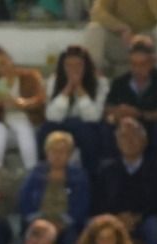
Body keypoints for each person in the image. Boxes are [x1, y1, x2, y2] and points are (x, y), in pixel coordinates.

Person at [98, 117, 157, 244]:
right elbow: (99, 201)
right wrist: (117, 218)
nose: (129, 140)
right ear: (117, 142)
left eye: (134, 135)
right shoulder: (106, 169)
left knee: (155, 228)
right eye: (124, 136)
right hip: (114, 219)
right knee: (96, 227)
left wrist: (137, 217)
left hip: (145, 219)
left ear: (144, 141)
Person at [18, 130, 93, 244]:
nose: (57, 155)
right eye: (53, 151)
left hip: (66, 225)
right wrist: (38, 221)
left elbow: (82, 205)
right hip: (38, 222)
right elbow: (24, 201)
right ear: (47, 153)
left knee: (72, 241)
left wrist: (62, 224)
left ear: (69, 154)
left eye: (62, 152)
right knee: (29, 239)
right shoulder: (35, 173)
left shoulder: (79, 176)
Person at [39, 45, 108, 175]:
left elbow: (93, 117)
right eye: (69, 66)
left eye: (78, 65)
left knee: (88, 132)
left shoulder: (100, 82)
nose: (73, 70)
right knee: (45, 130)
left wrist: (80, 89)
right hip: (61, 125)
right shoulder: (55, 81)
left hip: (86, 127)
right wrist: (68, 89)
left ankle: (90, 179)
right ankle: (45, 176)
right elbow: (51, 117)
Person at [104, 37, 157, 160]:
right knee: (107, 128)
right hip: (124, 126)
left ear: (152, 62)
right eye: (134, 64)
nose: (137, 69)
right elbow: (108, 108)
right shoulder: (120, 82)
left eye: (142, 64)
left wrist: (139, 114)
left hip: (151, 127)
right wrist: (118, 113)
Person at [0, 45, 44, 170]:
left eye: (3, 63)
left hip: (29, 124)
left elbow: (40, 101)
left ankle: (31, 170)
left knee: (22, 127)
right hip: (6, 128)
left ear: (10, 60)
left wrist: (20, 103)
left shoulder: (30, 77)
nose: (2, 68)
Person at [85, 0, 157, 76]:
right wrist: (121, 27)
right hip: (121, 39)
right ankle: (95, 79)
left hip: (148, 41)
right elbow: (96, 13)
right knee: (94, 28)